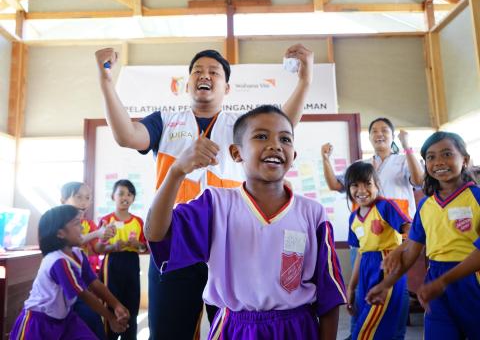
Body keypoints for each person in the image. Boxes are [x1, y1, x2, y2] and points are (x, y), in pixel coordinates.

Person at [95, 44, 313, 339]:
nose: (205, 75)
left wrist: (305, 80)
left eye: (214, 72)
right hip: (175, 241)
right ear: (187, 84)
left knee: (236, 330)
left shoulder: (240, 126)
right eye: (197, 71)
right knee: (169, 333)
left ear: (227, 87)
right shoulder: (165, 121)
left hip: (228, 244)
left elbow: (282, 123)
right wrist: (106, 81)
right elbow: (126, 135)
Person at [145, 105, 346, 340]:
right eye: (261, 136)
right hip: (235, 328)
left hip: (297, 328)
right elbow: (155, 233)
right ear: (236, 153)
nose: (275, 145)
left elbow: (329, 294)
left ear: (293, 156)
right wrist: (176, 171)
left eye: (285, 139)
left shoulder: (313, 213)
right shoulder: (216, 204)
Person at [366, 131, 480, 340]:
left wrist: (443, 282)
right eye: (431, 157)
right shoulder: (426, 205)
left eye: (447, 154)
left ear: (464, 160)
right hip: (435, 279)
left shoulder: (477, 198)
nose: (438, 162)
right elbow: (411, 251)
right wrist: (386, 284)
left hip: (472, 281)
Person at [321, 117, 423, 339]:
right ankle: (361, 329)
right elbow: (336, 184)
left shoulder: (402, 161)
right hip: (367, 238)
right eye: (374, 130)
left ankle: (389, 332)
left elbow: (419, 180)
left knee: (392, 295)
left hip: (394, 240)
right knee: (364, 296)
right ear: (368, 137)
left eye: (385, 129)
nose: (379, 133)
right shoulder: (363, 166)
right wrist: (325, 159)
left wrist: (407, 147)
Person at [9, 205, 130, 340]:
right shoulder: (58, 261)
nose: (83, 228)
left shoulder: (77, 254)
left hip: (65, 319)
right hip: (38, 323)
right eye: (77, 224)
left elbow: (93, 282)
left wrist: (116, 305)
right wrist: (111, 317)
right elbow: (82, 293)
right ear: (60, 233)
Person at [343, 162, 410, 340]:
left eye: (367, 183)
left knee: (368, 329)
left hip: (386, 268)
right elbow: (361, 252)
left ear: (377, 185)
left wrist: (397, 252)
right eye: (355, 185)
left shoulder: (385, 207)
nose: (361, 190)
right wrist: (351, 288)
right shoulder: (353, 218)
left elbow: (413, 233)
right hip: (366, 270)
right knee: (367, 324)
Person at [61, 181, 116, 340]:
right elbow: (74, 241)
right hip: (66, 283)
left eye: (87, 198)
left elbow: (96, 249)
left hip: (86, 279)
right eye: (78, 197)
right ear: (63, 201)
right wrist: (97, 233)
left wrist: (104, 236)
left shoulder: (89, 224)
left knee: (89, 320)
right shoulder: (58, 222)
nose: (84, 202)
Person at [99, 179, 147, 340]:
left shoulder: (138, 222)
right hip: (111, 262)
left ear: (133, 198)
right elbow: (97, 249)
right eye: (121, 193)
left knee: (131, 303)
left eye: (130, 194)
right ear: (113, 196)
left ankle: (129, 336)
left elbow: (145, 248)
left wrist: (138, 244)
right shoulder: (106, 220)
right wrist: (113, 247)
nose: (125, 197)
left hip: (132, 262)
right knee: (111, 303)